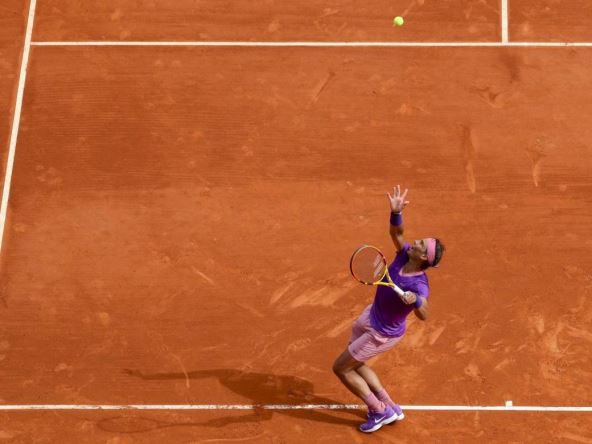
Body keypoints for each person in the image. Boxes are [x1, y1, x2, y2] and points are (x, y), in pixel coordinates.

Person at [332, 185, 445, 433]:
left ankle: (378, 411)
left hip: (381, 334)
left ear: (423, 257)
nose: (415, 242)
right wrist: (396, 213)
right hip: (370, 316)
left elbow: (424, 313)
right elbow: (397, 232)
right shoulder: (404, 255)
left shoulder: (419, 284)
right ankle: (391, 406)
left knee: (341, 368)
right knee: (356, 363)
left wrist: (415, 300)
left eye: (420, 244)